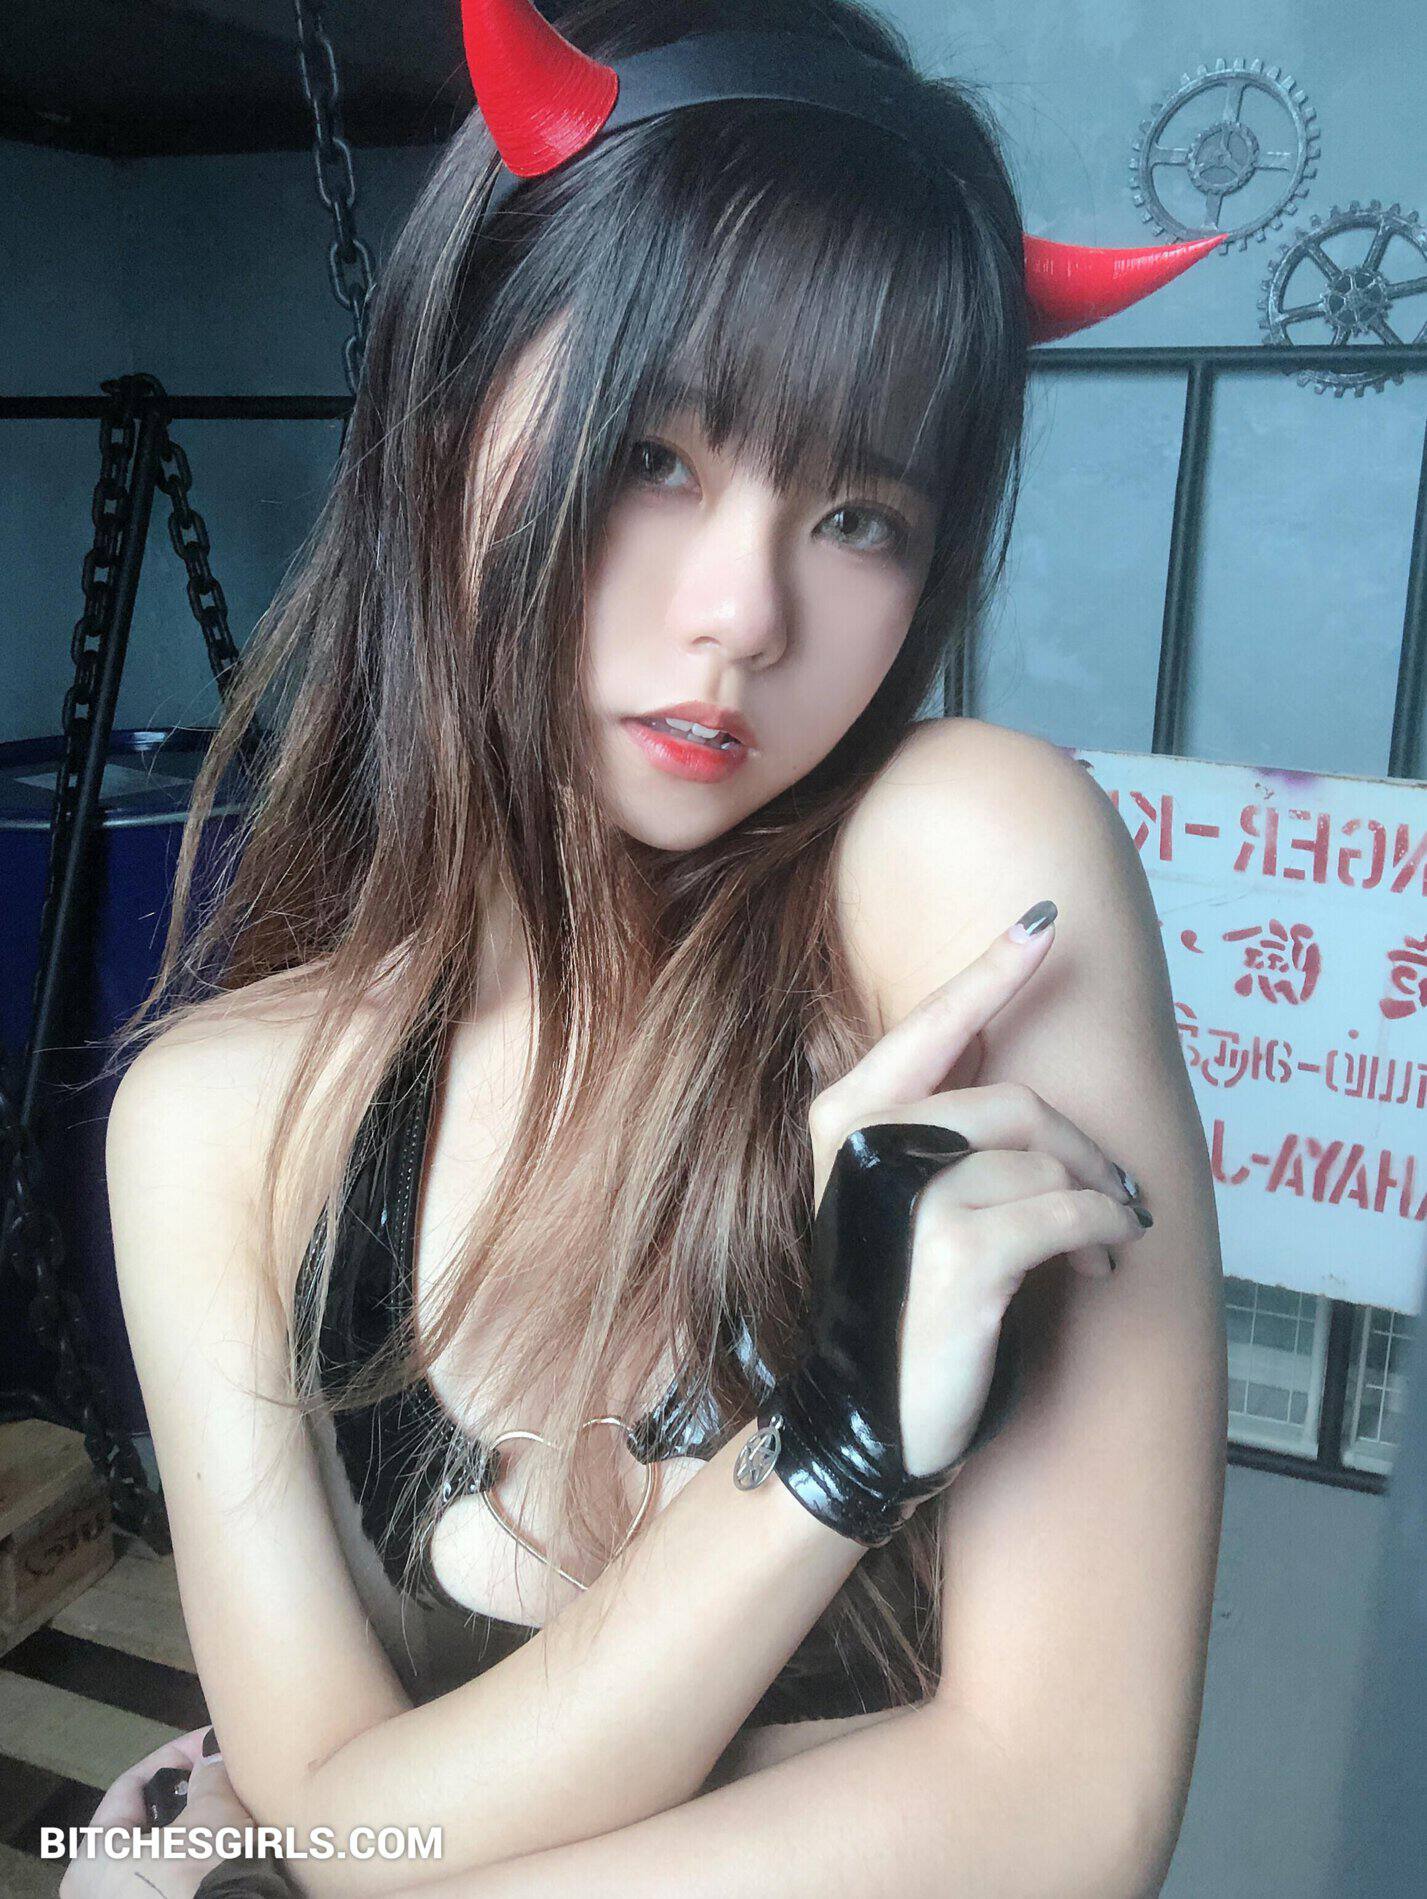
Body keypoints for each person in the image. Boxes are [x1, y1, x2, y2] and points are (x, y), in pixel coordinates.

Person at [62, 1, 1227, 1893]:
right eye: (656, 455)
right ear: (448, 418)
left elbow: (1061, 1813)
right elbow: (345, 1814)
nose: (746, 615)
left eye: (860, 515)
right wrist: (823, 1465)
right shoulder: (221, 1122)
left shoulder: (959, 868)